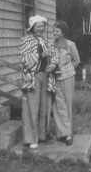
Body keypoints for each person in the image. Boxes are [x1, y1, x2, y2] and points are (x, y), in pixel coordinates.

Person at [19, 15, 52, 149]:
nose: (41, 29)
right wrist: (40, 55)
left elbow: (49, 57)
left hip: (44, 75)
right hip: (32, 77)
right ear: (32, 28)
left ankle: (41, 135)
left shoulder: (43, 40)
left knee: (43, 107)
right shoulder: (26, 40)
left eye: (42, 26)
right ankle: (31, 139)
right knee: (32, 108)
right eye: (38, 26)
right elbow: (25, 60)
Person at [46, 20, 80, 146]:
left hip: (68, 78)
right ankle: (61, 133)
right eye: (53, 30)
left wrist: (67, 69)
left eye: (57, 31)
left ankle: (68, 134)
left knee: (67, 104)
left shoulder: (70, 44)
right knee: (58, 105)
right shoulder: (50, 45)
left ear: (63, 32)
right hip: (54, 78)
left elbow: (77, 60)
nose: (54, 33)